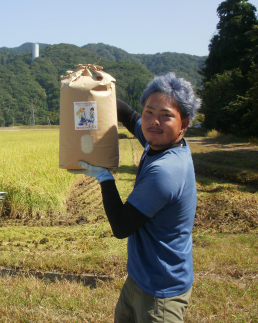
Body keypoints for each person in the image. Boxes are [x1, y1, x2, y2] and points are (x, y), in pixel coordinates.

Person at [70, 72, 201, 322]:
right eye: (149, 112)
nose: (154, 122)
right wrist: (94, 90)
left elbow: (121, 227)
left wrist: (104, 178)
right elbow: (128, 115)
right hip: (140, 278)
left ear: (184, 124)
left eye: (166, 116)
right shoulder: (159, 142)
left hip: (161, 293)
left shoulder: (166, 172)